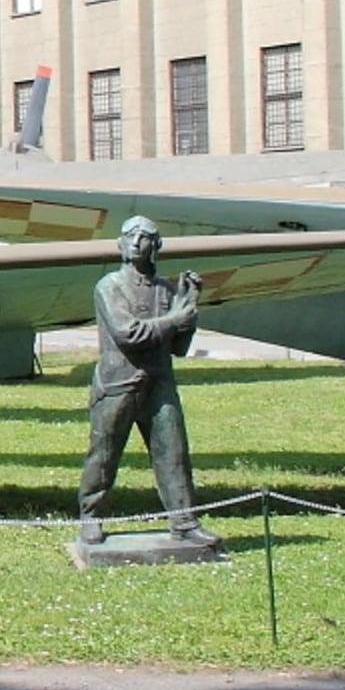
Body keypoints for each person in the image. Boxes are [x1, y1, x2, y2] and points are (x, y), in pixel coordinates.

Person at [78, 215, 218, 547]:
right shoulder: (110, 286)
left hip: (158, 384)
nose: (137, 243)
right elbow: (129, 334)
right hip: (117, 385)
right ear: (121, 244)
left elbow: (178, 347)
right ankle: (91, 516)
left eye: (145, 238)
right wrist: (175, 319)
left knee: (174, 453)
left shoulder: (166, 290)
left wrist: (189, 306)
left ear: (157, 246)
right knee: (104, 454)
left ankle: (184, 521)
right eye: (131, 236)